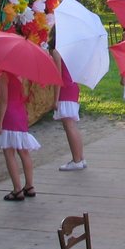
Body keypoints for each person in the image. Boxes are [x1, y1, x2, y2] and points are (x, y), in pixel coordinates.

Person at [0, 70, 41, 201]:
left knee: (9, 152)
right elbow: (15, 95)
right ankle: (29, 186)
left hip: (10, 116)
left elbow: (4, 102)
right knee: (24, 151)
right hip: (20, 113)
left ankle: (17, 189)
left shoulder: (3, 77)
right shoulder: (19, 74)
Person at [50, 29, 86, 171]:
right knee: (72, 125)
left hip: (65, 89)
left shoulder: (57, 52)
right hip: (72, 86)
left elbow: (58, 77)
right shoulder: (71, 50)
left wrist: (55, 99)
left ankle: (76, 160)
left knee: (69, 126)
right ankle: (80, 158)